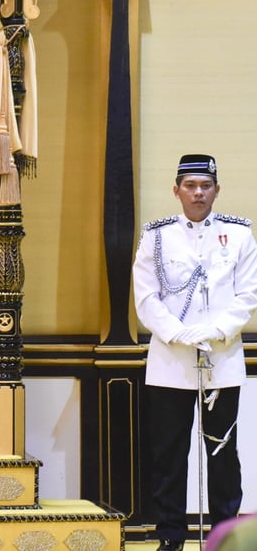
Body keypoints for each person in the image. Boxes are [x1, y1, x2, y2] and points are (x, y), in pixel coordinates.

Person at [132, 154, 257, 551]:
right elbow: (146, 297)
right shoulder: (156, 235)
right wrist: (182, 334)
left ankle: (225, 535)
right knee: (168, 454)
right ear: (176, 191)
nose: (198, 193)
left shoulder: (239, 235)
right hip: (171, 360)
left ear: (216, 190)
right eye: (190, 185)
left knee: (222, 455)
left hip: (221, 359)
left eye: (205, 186)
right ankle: (171, 536)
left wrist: (214, 331)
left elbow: (247, 295)